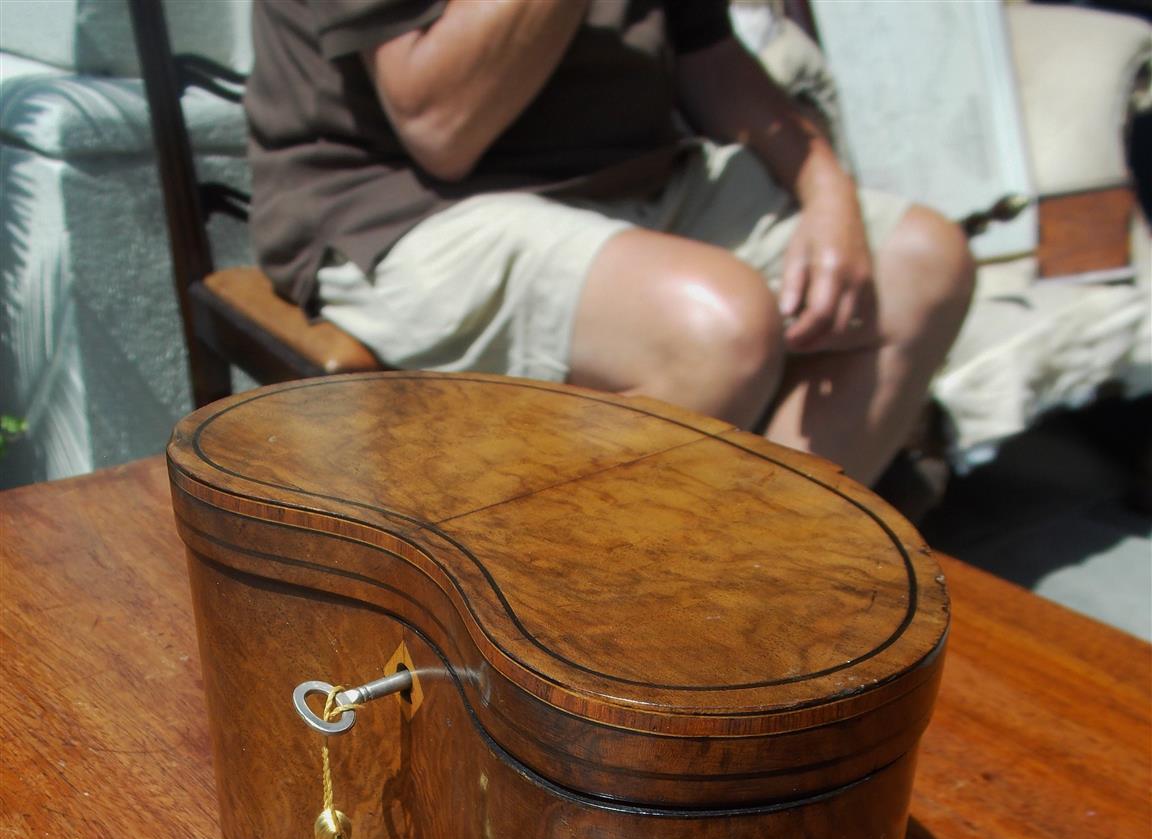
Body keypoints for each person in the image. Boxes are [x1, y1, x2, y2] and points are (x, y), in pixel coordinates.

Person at [246, 0, 975, 486]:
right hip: (400, 209)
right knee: (716, 328)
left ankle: (745, 600)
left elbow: (708, 56)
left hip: (630, 179)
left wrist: (827, 188)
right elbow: (441, 130)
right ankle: (563, 640)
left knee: (919, 263)